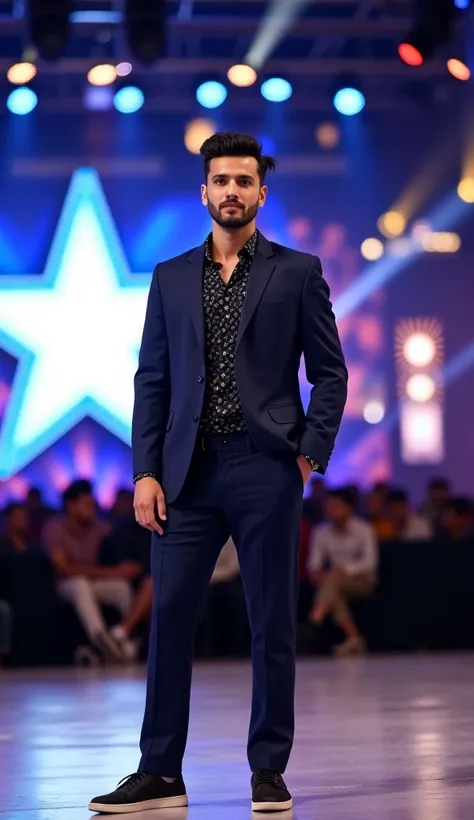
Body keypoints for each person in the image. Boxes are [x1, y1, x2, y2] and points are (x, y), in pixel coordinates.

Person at [89, 132, 347, 814]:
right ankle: (160, 770)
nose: (231, 190)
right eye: (220, 180)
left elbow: (330, 373)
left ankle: (268, 769)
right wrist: (145, 471)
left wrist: (309, 450)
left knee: (272, 623)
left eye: (243, 180)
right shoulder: (170, 276)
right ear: (203, 191)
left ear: (262, 191)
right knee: (169, 616)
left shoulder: (297, 270)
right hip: (186, 474)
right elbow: (153, 380)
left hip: (266, 466)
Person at [43, 480, 141, 663]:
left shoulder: (101, 527)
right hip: (66, 585)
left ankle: (125, 638)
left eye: (92, 504)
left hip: (95, 581)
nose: (91, 508)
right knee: (80, 584)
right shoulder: (55, 528)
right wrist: (114, 572)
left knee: (120, 587)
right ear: (70, 506)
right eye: (85, 504)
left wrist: (125, 567)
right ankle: (101, 639)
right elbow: (65, 570)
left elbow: (118, 554)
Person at [307, 487, 377, 656]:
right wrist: (317, 572)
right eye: (329, 506)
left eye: (336, 506)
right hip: (333, 581)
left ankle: (315, 618)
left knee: (333, 580)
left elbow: (370, 563)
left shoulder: (364, 529)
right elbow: (314, 563)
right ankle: (354, 639)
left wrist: (345, 570)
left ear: (348, 508)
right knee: (333, 587)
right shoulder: (321, 531)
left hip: (362, 580)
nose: (331, 510)